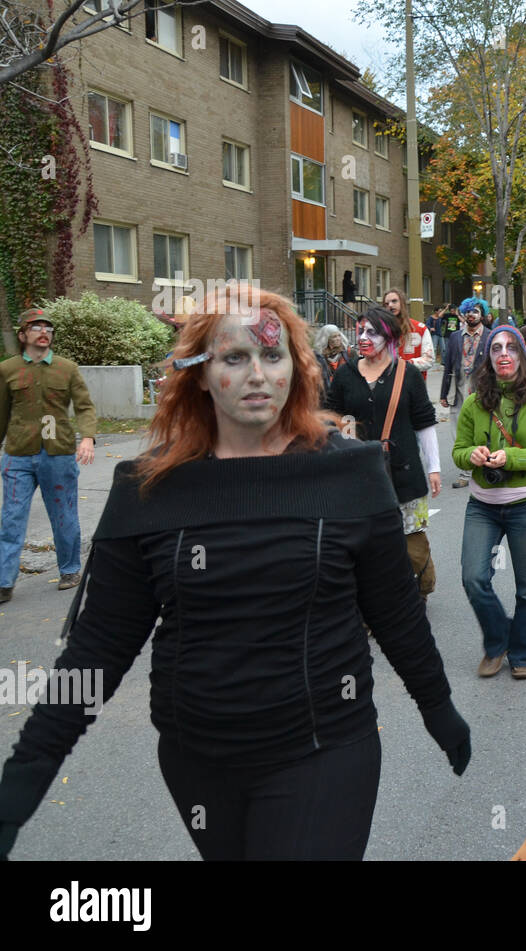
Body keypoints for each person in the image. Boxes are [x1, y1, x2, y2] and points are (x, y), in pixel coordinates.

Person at [0, 287, 469, 861]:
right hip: (199, 761)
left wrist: (438, 708)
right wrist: (28, 771)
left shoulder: (349, 473)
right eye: (233, 358)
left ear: (296, 369)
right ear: (199, 373)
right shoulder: (147, 489)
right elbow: (100, 646)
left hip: (326, 749)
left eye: (272, 357)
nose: (257, 375)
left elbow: (395, 614)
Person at [452, 324, 526, 680]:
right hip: (482, 504)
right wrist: (474, 455)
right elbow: (458, 451)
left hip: (525, 505)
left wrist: (510, 458)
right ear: (488, 356)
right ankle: (498, 640)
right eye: (496, 348)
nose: (503, 354)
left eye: (511, 348)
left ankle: (524, 651)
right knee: (473, 578)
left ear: (521, 356)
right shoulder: (473, 401)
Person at [325, 307, 442, 602]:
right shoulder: (345, 374)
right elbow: (333, 420)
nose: (363, 337)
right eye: (360, 331)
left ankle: (417, 590)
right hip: (359, 474)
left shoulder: (408, 374)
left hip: (405, 473)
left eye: (372, 332)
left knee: (411, 544)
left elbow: (425, 423)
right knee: (363, 541)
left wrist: (434, 468)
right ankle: (369, 604)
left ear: (389, 337)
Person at [0, 308, 97, 603]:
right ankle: (4, 582)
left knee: (64, 514)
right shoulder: (7, 369)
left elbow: (84, 407)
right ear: (22, 335)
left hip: (58, 453)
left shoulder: (67, 368)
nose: (44, 332)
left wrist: (88, 439)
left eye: (48, 329)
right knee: (11, 518)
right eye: (36, 327)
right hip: (18, 454)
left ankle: (69, 570)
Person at [440, 297, 492, 488]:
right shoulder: (455, 337)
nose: (471, 314)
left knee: (481, 431)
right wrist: (443, 394)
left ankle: (480, 466)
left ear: (482, 315)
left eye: (476, 311)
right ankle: (466, 470)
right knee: (457, 432)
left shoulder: (489, 336)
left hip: (481, 391)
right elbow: (447, 366)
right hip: (458, 390)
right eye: (468, 311)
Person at [384, 288, 435, 382]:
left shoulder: (420, 328)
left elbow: (429, 359)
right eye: (387, 304)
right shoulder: (380, 330)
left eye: (394, 301)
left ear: (402, 303)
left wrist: (405, 364)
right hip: (388, 383)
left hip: (413, 384)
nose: (390, 305)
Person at [313, 323, 354, 398]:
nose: (338, 338)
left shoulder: (348, 352)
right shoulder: (318, 356)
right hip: (325, 395)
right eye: (334, 337)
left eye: (339, 335)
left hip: (345, 393)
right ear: (326, 338)